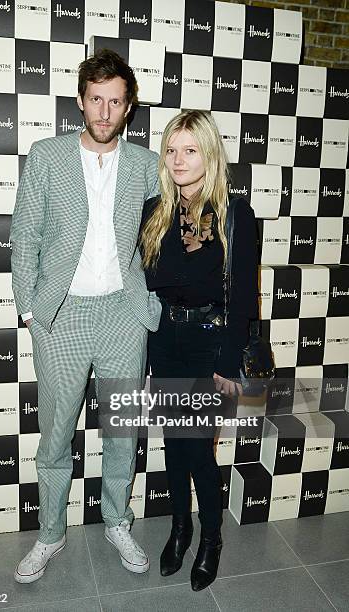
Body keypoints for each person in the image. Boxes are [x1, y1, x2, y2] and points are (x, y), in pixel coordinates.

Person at [10, 49, 161, 583]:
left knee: (122, 431)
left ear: (128, 108)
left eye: (115, 102)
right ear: (80, 101)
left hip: (124, 315)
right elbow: (24, 235)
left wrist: (153, 306)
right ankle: (50, 533)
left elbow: (163, 238)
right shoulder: (46, 156)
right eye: (95, 99)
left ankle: (117, 521)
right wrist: (30, 310)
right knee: (55, 434)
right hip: (62, 317)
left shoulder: (147, 165)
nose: (104, 112)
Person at [140, 110, 259, 591]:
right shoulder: (156, 211)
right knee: (174, 445)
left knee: (199, 452)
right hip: (166, 340)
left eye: (189, 150)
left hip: (210, 345)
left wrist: (226, 365)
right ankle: (180, 528)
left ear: (209, 153)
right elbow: (151, 281)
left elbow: (245, 295)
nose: (177, 160)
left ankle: (210, 539)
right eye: (170, 150)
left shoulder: (236, 214)